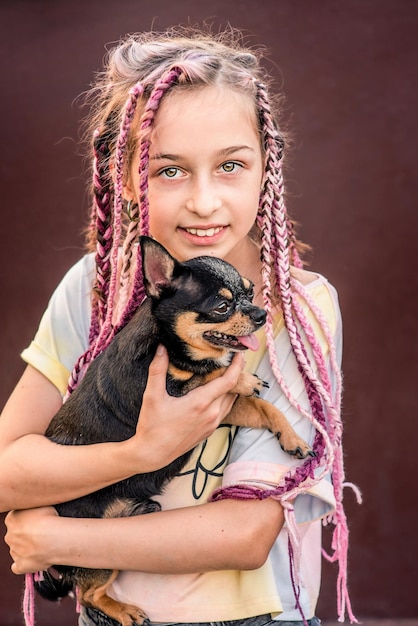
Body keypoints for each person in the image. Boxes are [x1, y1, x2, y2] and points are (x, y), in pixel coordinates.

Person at [0, 26, 358, 626]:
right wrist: (146, 449)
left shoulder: (297, 311)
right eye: (169, 170)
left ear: (267, 166)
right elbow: (8, 474)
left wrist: (61, 543)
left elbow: (245, 535)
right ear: (126, 173)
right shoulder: (94, 290)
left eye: (231, 166)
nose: (204, 201)